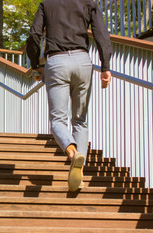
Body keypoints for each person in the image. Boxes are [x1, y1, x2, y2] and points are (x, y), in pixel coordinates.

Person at [26, 0, 112, 192]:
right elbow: (101, 34)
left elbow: (34, 35)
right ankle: (78, 177)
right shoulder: (88, 2)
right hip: (83, 61)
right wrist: (105, 67)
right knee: (80, 120)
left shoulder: (46, 4)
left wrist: (35, 65)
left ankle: (73, 154)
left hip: (56, 61)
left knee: (58, 120)